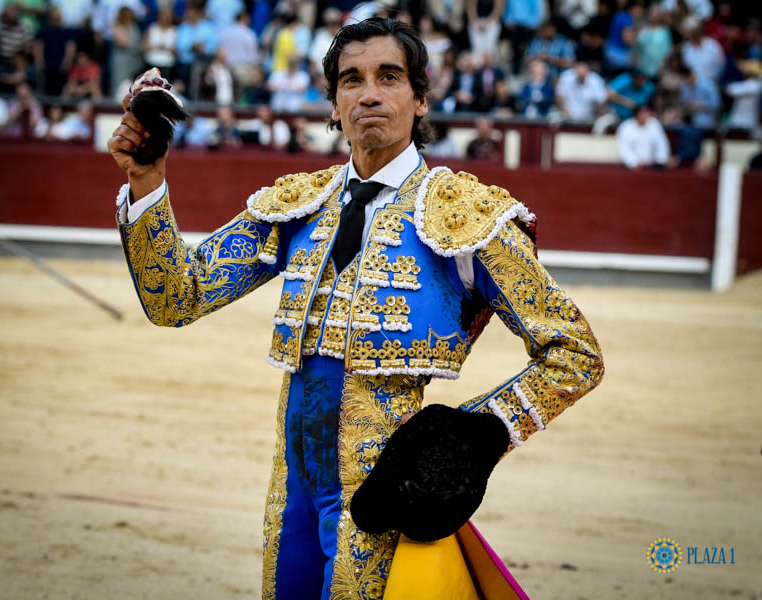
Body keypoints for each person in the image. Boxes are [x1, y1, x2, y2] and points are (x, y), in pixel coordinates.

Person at [108, 17, 603, 598]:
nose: (369, 93)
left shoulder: (465, 216)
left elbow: (575, 353)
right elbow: (176, 297)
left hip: (384, 493)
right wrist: (148, 181)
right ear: (334, 105)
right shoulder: (298, 205)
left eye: (388, 77)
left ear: (420, 100)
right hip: (290, 490)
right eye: (351, 80)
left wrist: (476, 435)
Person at [617, 105, 670, 169]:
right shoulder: (625, 127)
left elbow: (662, 144)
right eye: (643, 113)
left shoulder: (654, 124)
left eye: (647, 113)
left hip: (653, 166)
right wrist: (633, 162)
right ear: (636, 115)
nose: (645, 116)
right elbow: (624, 148)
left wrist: (661, 160)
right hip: (632, 167)